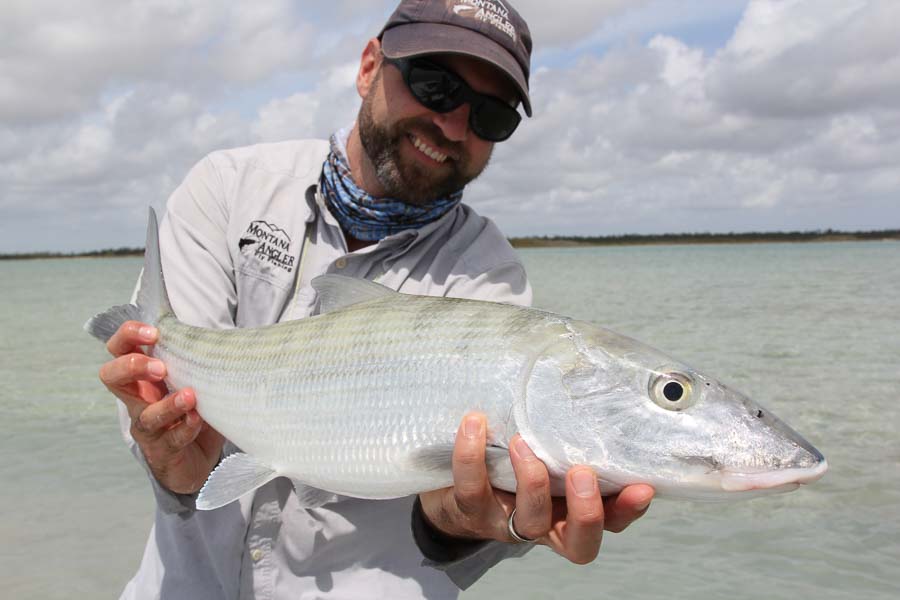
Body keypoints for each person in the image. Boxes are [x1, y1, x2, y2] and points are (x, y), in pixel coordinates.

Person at [98, 1, 655, 598]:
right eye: (435, 85)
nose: (454, 126)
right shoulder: (228, 189)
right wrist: (172, 459)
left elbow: (444, 509)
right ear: (369, 66)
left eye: (492, 115)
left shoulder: (489, 277)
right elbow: (171, 431)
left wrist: (467, 526)